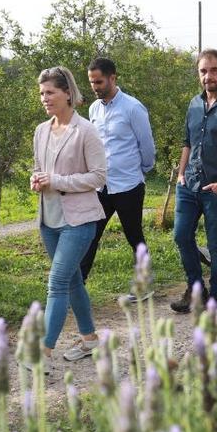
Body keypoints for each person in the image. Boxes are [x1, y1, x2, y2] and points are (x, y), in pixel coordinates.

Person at [31, 66, 107, 373]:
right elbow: (40, 169)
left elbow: (99, 177)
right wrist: (36, 180)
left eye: (50, 92)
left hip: (80, 220)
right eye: (41, 93)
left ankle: (43, 354)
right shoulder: (40, 131)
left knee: (58, 281)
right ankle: (90, 339)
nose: (45, 98)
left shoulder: (85, 130)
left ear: (67, 93)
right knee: (73, 279)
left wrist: (58, 180)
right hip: (49, 219)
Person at [171, 49, 217, 313]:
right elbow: (187, 143)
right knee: (181, 236)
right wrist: (181, 174)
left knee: (216, 244)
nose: (208, 76)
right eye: (203, 71)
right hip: (189, 185)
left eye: (214, 70)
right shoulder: (193, 104)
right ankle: (195, 291)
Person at [81, 57, 156, 300]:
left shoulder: (133, 108)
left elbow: (147, 146)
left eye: (99, 81)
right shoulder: (93, 109)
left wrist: (140, 170)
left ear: (113, 78)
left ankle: (143, 287)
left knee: (134, 237)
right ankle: (76, 287)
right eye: (92, 82)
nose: (95, 86)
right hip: (101, 187)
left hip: (128, 186)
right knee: (90, 235)